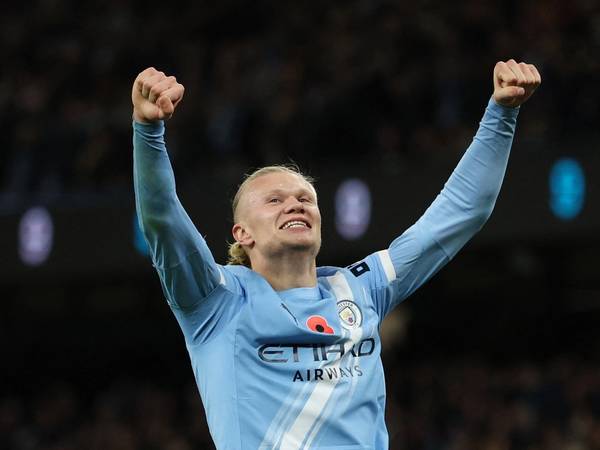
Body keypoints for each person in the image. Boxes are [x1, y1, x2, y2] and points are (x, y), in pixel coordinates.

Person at [132, 60, 540, 449]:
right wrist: (148, 131)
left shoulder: (360, 289)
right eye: (274, 200)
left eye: (305, 199)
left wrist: (501, 114)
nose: (295, 206)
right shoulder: (215, 302)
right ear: (242, 234)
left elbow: (459, 213)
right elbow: (162, 219)